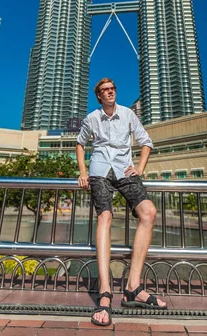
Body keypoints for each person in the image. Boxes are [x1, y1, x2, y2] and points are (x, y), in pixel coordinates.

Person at [76, 77, 167, 327]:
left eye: (113, 89)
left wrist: (139, 167)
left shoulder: (128, 114)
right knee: (105, 216)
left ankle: (133, 287)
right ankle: (105, 292)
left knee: (148, 212)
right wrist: (83, 171)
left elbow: (146, 142)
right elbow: (80, 143)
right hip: (100, 172)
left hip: (125, 170)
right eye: (105, 90)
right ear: (98, 96)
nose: (110, 92)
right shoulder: (92, 118)